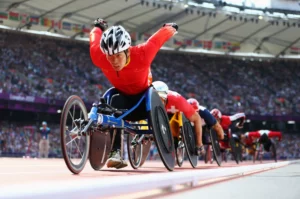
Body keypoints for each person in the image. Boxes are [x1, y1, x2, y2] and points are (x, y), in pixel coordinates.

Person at [89, 18, 178, 169]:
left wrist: (169, 28)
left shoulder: (142, 54)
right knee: (112, 100)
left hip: (144, 101)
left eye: (118, 55)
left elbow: (156, 40)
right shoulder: (99, 56)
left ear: (127, 50)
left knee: (147, 93)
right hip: (122, 102)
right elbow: (94, 39)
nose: (114, 61)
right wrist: (98, 27)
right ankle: (115, 153)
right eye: (110, 56)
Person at [152, 81, 205, 156]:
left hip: (175, 109)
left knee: (196, 118)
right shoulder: (148, 98)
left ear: (164, 97)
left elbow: (197, 119)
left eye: (159, 100)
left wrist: (199, 143)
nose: (157, 102)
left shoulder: (177, 100)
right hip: (162, 113)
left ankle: (199, 145)